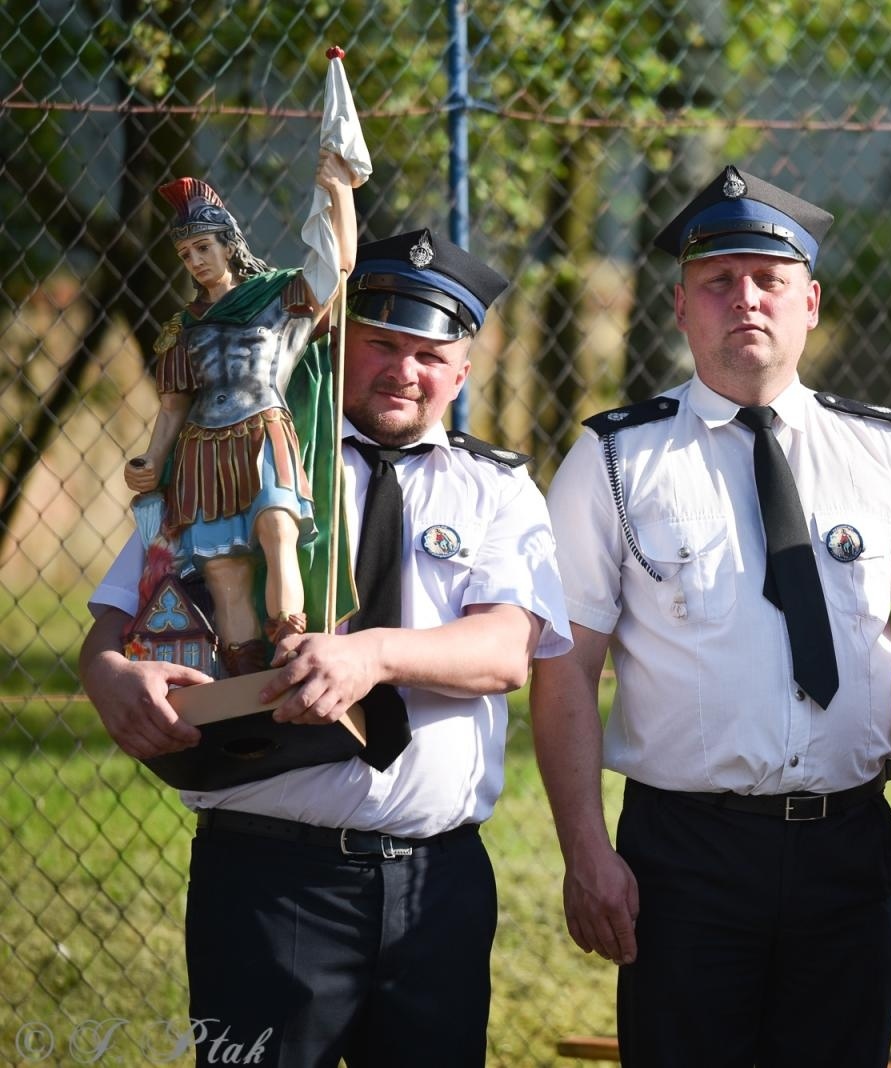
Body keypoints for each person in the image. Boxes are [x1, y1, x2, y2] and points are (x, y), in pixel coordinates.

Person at [533, 164, 891, 1067]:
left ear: (810, 302)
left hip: (850, 849)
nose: (746, 299)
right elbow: (565, 669)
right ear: (679, 306)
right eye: (718, 281)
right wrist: (585, 850)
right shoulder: (614, 459)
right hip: (684, 858)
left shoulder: (887, 454)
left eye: (770, 281)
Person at [80, 228, 572, 1066]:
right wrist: (109, 678)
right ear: (339, 342)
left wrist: (372, 656)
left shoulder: (497, 487)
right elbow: (113, 629)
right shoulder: (240, 453)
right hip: (268, 881)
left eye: (429, 354)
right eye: (382, 343)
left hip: (434, 886)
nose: (403, 371)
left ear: (462, 371)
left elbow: (502, 653)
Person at [126, 155, 357, 676]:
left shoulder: (280, 297)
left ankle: (292, 654)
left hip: (263, 432)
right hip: (203, 449)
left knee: (279, 532)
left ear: (229, 243)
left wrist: (340, 192)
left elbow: (338, 265)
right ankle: (245, 681)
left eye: (203, 247)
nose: (196, 261)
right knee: (223, 569)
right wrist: (150, 459)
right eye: (185, 254)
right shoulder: (184, 327)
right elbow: (172, 407)